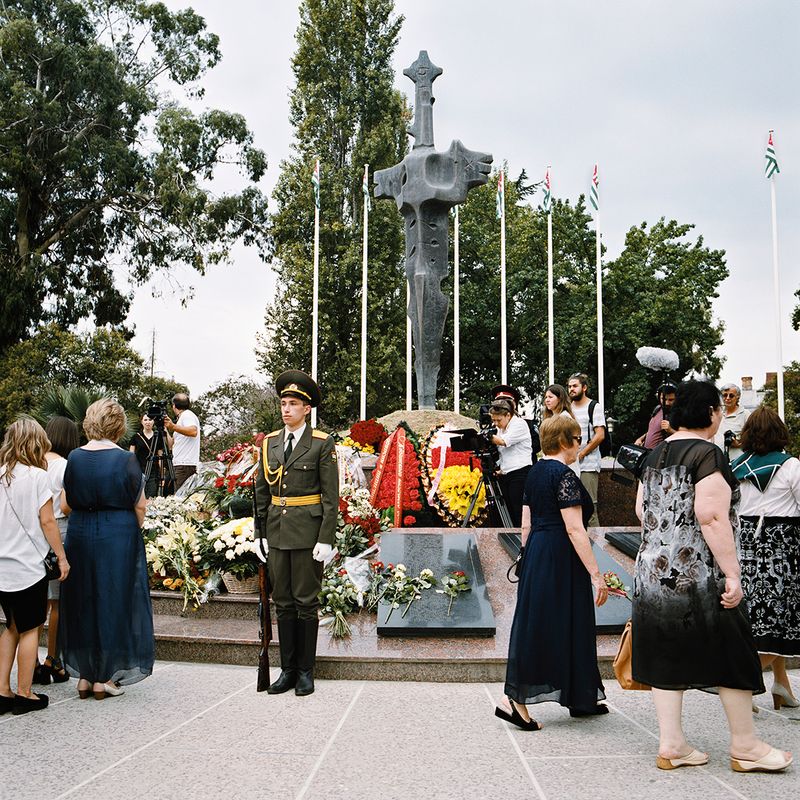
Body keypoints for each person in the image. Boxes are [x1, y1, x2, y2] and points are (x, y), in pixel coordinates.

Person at [633, 380, 791, 773]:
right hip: (700, 573)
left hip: (653, 572)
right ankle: (746, 745)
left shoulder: (654, 455)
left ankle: (672, 744)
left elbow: (641, 509)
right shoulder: (708, 454)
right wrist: (733, 573)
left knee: (666, 655)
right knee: (736, 653)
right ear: (709, 413)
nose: (722, 415)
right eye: (719, 408)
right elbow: (712, 515)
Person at [497, 414, 608, 731]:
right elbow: (575, 529)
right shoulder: (564, 475)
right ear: (563, 441)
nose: (579, 445)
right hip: (561, 554)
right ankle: (514, 702)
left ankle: (580, 696)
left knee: (549, 622)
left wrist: (527, 556)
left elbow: (526, 523)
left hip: (538, 554)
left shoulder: (534, 474)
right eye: (577, 439)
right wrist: (596, 574)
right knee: (561, 622)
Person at [59, 399, 154, 700]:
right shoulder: (126, 460)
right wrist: (133, 526)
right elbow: (139, 504)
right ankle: (106, 678)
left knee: (83, 599)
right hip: (118, 532)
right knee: (114, 599)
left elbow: (65, 504)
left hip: (80, 532)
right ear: (118, 425)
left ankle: (85, 676)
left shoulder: (74, 457)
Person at [253, 371, 338, 697]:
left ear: (307, 409)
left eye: (293, 404)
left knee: (305, 603)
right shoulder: (270, 443)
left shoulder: (321, 443)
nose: (286, 409)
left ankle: (305, 671)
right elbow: (262, 491)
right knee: (283, 602)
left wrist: (326, 538)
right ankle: (286, 670)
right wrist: (259, 533)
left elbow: (330, 496)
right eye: (283, 403)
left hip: (307, 532)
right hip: (276, 531)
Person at [731, 406, 800, 710]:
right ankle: (743, 684)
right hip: (783, 549)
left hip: (746, 546)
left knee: (760, 619)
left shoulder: (738, 466)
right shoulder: (790, 466)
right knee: (782, 620)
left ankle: (782, 685)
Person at [0, 418, 69, 715]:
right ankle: (25, 694)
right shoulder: (39, 477)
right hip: (29, 566)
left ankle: (2, 690)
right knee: (30, 629)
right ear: (36, 442)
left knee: (11, 628)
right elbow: (47, 520)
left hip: (3, 566)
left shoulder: (0, 475)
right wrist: (62, 557)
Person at [32, 416, 80, 686]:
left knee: (38, 598)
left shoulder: (34, 462)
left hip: (35, 533)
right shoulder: (65, 465)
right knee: (57, 602)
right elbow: (68, 505)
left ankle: (33, 661)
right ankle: (53, 658)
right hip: (60, 529)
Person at [567, 373, 605, 527]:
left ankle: (597, 547)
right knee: (571, 508)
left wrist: (581, 454)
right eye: (569, 386)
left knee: (589, 508)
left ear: (584, 388)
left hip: (587, 464)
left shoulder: (594, 406)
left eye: (575, 386)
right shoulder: (567, 408)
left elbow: (600, 435)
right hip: (570, 464)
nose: (571, 389)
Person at [489, 398, 533, 527]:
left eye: (498, 420)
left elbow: (504, 442)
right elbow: (502, 452)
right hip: (506, 473)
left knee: (518, 510)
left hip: (520, 473)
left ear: (508, 415)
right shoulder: (501, 428)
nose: (496, 424)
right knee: (507, 509)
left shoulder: (519, 424)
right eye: (493, 420)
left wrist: (486, 436)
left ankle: (523, 539)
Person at [165, 393, 200, 491]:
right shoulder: (182, 419)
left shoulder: (187, 415)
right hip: (180, 463)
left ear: (174, 406)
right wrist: (165, 429)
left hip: (185, 464)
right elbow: (171, 444)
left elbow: (193, 431)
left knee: (181, 497)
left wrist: (173, 426)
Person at [714, 383, 751, 462]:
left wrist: (739, 444)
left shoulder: (745, 414)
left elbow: (754, 437)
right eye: (725, 395)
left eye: (731, 395)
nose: (727, 398)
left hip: (737, 462)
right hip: (718, 461)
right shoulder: (717, 413)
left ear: (738, 397)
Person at [634, 382, 677, 448]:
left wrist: (671, 430)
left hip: (661, 455)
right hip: (648, 454)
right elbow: (652, 430)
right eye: (664, 399)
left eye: (671, 400)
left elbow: (687, 437)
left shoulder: (678, 414)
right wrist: (640, 439)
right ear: (659, 397)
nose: (667, 403)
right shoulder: (657, 409)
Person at [129, 413, 160, 498]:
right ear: (141, 422)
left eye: (150, 420)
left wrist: (162, 473)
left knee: (151, 495)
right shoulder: (136, 437)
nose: (148, 422)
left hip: (153, 471)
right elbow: (131, 455)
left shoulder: (157, 437)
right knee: (139, 496)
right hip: (139, 470)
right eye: (145, 420)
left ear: (153, 421)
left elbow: (160, 456)